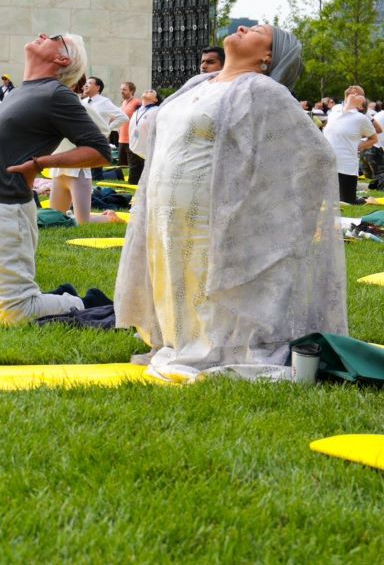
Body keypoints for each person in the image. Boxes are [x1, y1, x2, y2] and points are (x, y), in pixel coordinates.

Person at [114, 24, 347, 382]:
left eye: (256, 31)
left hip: (211, 208)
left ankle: (217, 348)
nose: (242, 27)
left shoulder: (263, 90)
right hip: (167, 206)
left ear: (267, 57)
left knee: (203, 276)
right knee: (175, 277)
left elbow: (315, 155)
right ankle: (180, 341)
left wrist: (260, 200)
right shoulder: (198, 84)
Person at [0, 33, 111, 323]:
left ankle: (80, 302)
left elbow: (100, 150)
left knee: (15, 312)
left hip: (5, 206)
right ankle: (52, 298)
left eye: (54, 38)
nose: (41, 36)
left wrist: (40, 164)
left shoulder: (56, 93)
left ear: (62, 59)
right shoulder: (24, 90)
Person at [48, 76, 121, 225]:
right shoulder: (54, 106)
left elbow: (104, 130)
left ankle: (111, 217)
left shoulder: (81, 107)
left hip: (77, 170)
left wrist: (85, 144)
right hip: (59, 169)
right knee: (55, 219)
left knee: (83, 222)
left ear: (73, 85)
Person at [323, 93, 377, 205]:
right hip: (326, 164)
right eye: (353, 93)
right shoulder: (334, 112)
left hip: (346, 166)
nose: (355, 93)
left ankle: (364, 198)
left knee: (347, 201)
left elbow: (374, 139)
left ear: (361, 107)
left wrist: (357, 146)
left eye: (359, 95)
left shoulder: (361, 118)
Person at [127, 89, 160, 185]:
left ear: (155, 100)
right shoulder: (137, 111)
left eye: (151, 91)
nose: (146, 91)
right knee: (133, 179)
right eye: (146, 90)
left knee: (147, 179)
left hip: (147, 149)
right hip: (134, 147)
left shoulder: (156, 111)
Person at [117, 81, 141, 169]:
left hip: (131, 139)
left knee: (133, 164)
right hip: (121, 139)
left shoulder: (137, 102)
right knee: (122, 165)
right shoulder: (123, 102)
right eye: (121, 89)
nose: (121, 91)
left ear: (131, 91)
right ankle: (120, 178)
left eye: (124, 89)